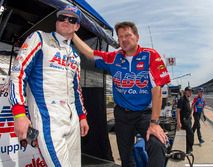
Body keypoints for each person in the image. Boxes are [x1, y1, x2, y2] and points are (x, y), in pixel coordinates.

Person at [73, 21, 171, 167]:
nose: (124, 39)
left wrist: (154, 123)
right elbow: (89, 53)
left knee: (157, 144)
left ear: (137, 37)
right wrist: (72, 34)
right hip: (122, 115)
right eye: (120, 37)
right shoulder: (114, 57)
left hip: (145, 114)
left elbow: (157, 88)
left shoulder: (150, 55)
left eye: (128, 35)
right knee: (126, 157)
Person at [9, 5, 89, 167]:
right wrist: (19, 114)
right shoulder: (39, 38)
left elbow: (76, 89)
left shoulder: (75, 54)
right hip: (49, 118)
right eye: (62, 18)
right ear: (57, 21)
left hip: (72, 117)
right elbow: (18, 73)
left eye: (71, 19)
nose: (66, 21)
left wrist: (82, 116)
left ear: (77, 26)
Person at [176, 86, 194, 154]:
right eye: (189, 91)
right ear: (186, 91)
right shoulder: (182, 99)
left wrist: (190, 114)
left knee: (188, 135)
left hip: (188, 119)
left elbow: (187, 110)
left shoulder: (187, 99)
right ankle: (189, 149)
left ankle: (188, 149)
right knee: (191, 134)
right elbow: (178, 111)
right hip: (184, 120)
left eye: (191, 91)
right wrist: (178, 122)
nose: (191, 92)